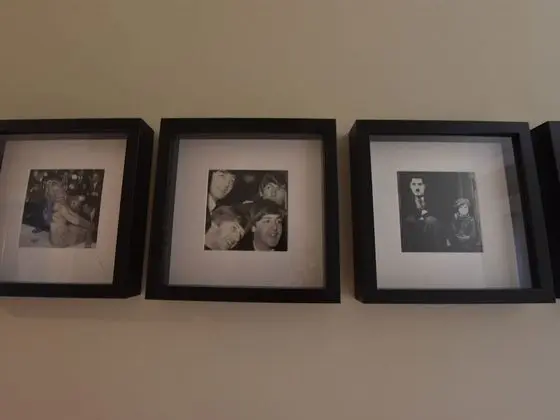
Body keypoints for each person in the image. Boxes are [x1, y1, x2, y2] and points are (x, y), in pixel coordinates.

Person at [400, 175, 445, 252]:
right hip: (415, 222)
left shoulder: (433, 197)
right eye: (414, 184)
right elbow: (405, 213)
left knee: (432, 221)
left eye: (420, 184)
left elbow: (439, 212)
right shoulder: (406, 199)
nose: (417, 188)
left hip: (430, 224)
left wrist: (426, 215)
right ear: (410, 186)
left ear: (425, 186)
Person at [46, 180, 94, 248]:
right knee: (83, 230)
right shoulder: (60, 206)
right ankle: (88, 244)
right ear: (54, 193)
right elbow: (74, 219)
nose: (61, 191)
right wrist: (88, 224)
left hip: (53, 235)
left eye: (60, 189)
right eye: (57, 190)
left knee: (74, 227)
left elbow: (71, 213)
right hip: (60, 239)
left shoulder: (54, 202)